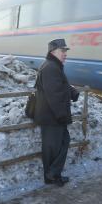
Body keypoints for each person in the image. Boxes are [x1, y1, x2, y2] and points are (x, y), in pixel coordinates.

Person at [34, 38, 79, 187]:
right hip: (52, 116)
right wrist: (62, 116)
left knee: (59, 144)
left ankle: (53, 175)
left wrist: (73, 92)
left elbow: (61, 85)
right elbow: (54, 95)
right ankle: (52, 176)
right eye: (63, 51)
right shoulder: (51, 68)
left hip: (52, 115)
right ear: (53, 52)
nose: (65, 53)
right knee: (54, 147)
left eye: (66, 51)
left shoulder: (54, 66)